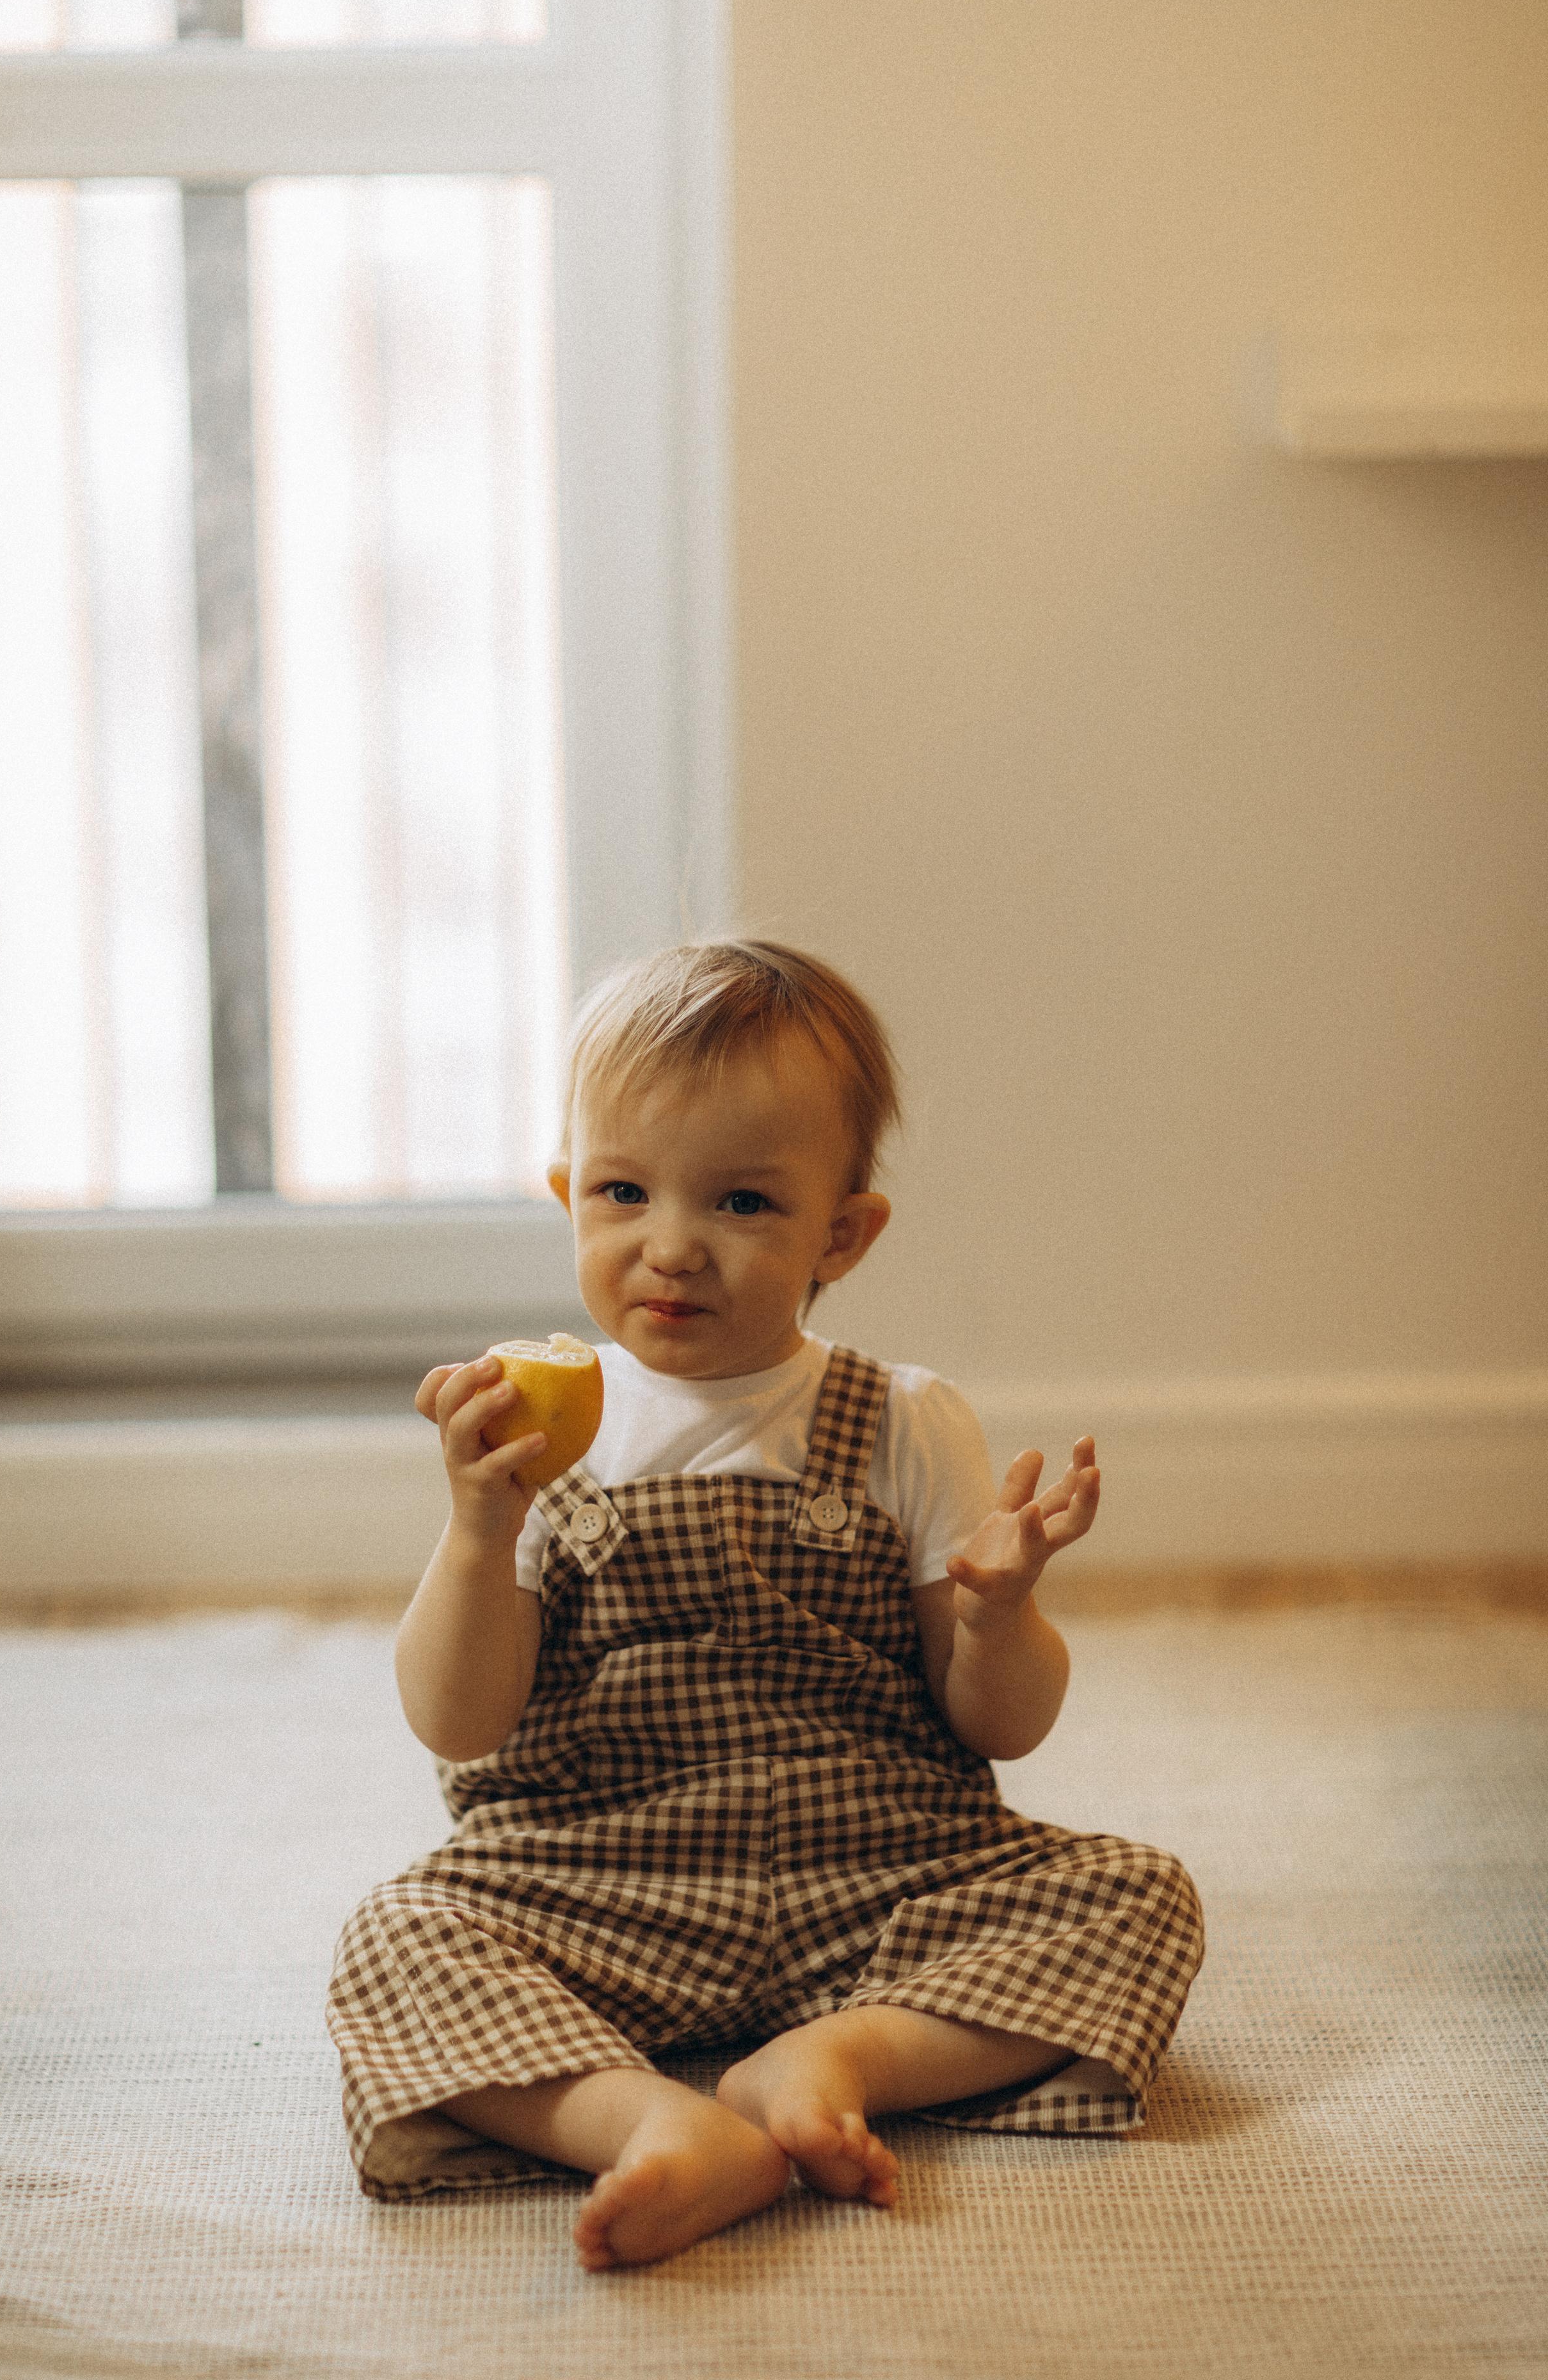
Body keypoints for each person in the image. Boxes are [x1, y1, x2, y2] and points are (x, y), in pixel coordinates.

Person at [328, 940, 1204, 2271]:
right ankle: (654, 2125)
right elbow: (457, 1723)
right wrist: (476, 1525)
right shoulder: (532, 1427)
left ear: (838, 1234)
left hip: (879, 1869)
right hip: (601, 1867)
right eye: (622, 1191)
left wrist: (998, 1612)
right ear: (567, 1196)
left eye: (740, 1202)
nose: (669, 1246)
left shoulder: (903, 1419)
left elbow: (1000, 1729)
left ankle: (822, 2060)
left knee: (1136, 1896)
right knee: (399, 1940)